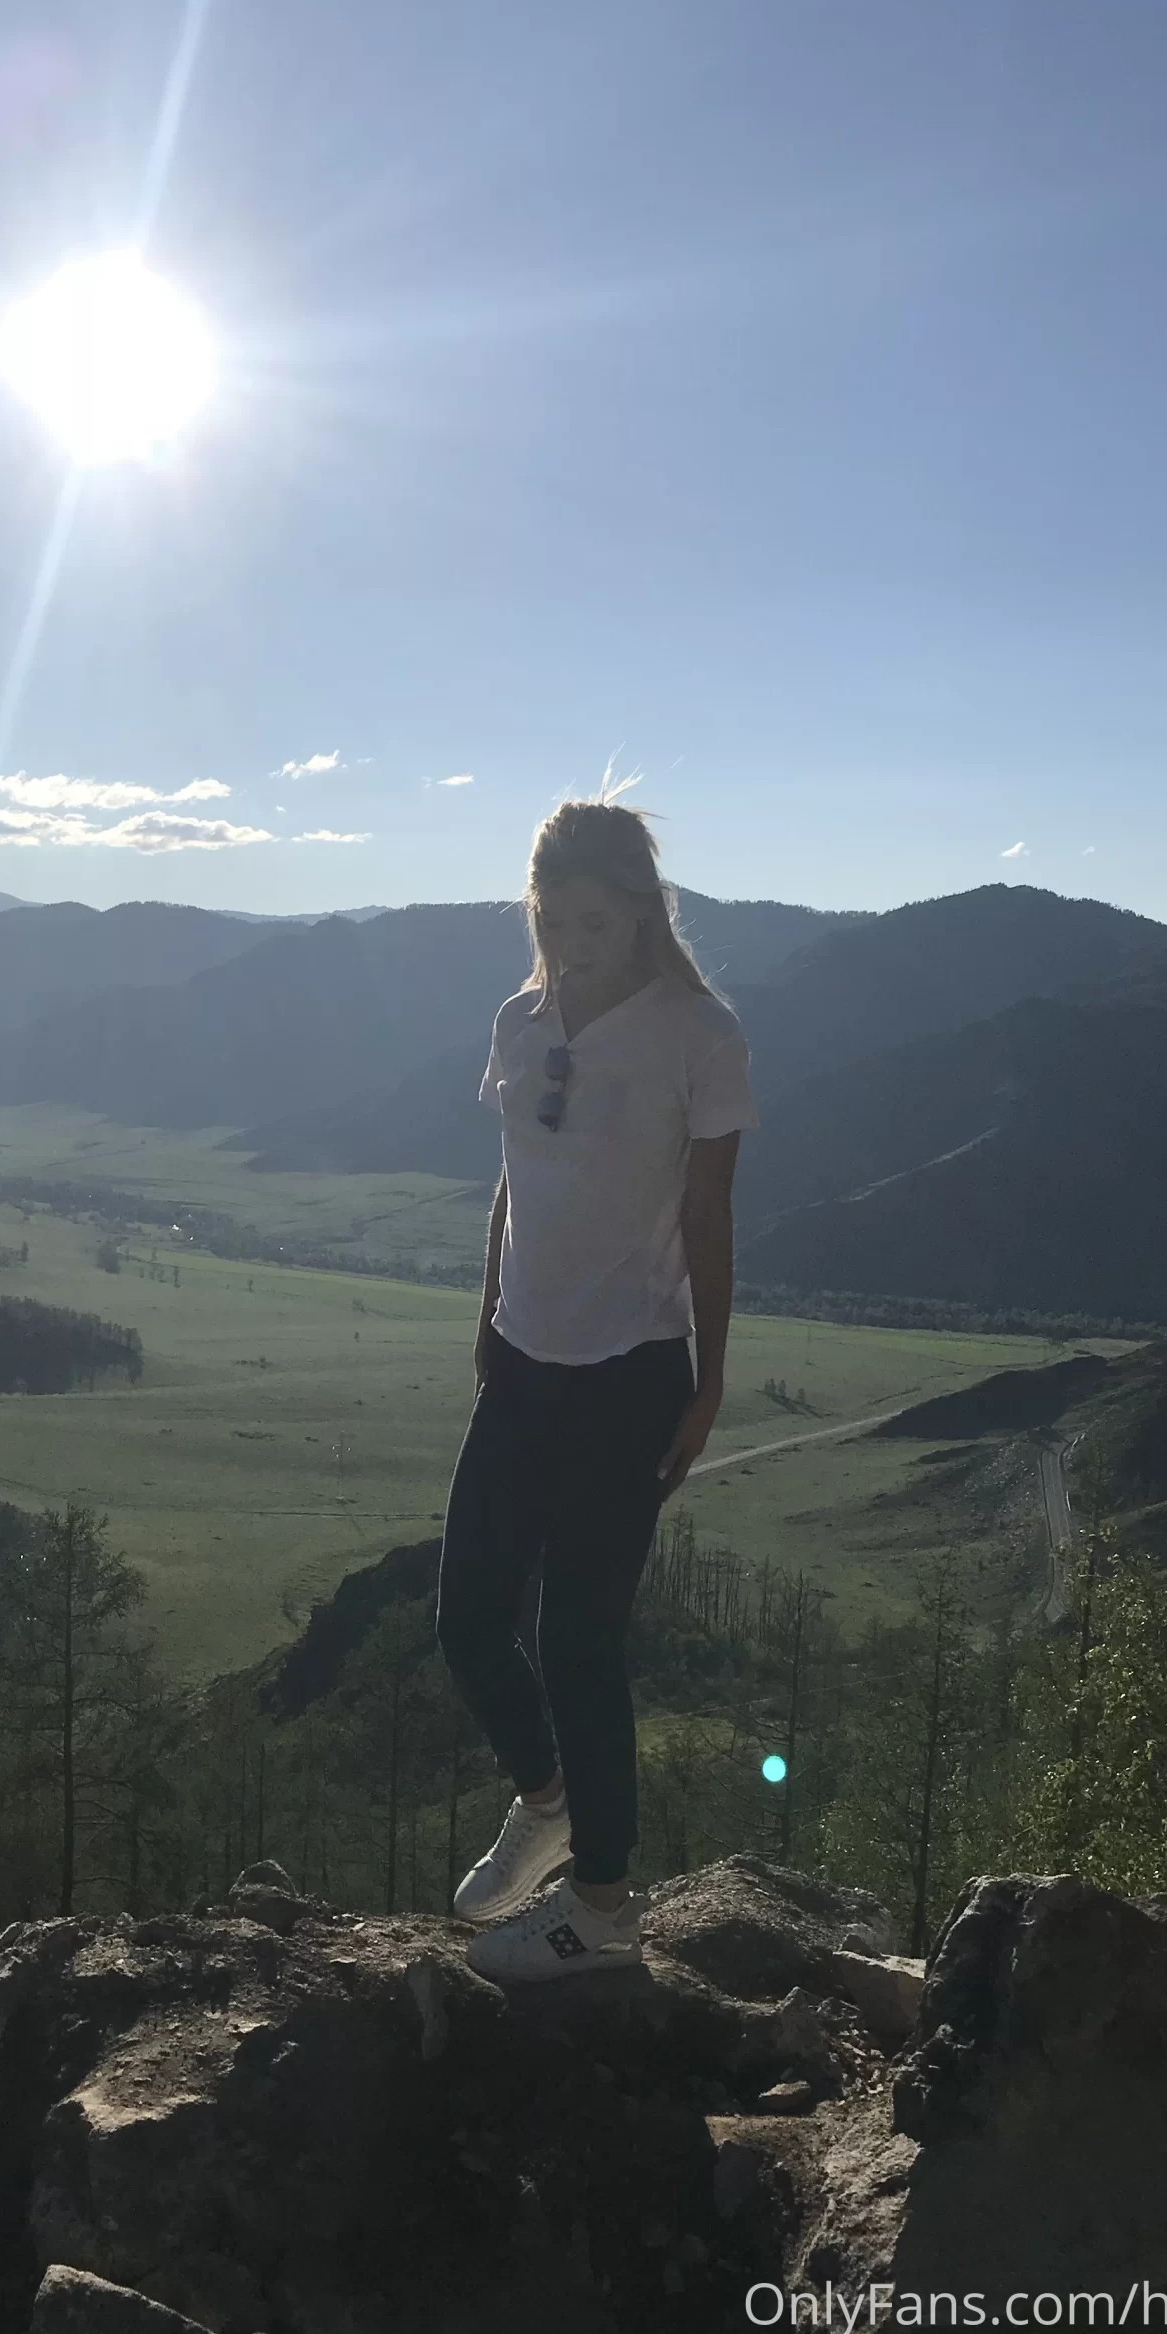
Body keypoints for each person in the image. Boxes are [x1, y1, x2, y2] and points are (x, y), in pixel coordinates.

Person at [435, 794, 758, 1983]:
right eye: (553, 919)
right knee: (468, 1619)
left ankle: (605, 1905)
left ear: (642, 910)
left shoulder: (699, 1033)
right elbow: (513, 1181)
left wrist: (708, 1380)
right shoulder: (520, 1021)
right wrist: (488, 1312)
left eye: (596, 920)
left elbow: (709, 1212)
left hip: (631, 1369)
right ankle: (548, 1800)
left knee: (578, 1640)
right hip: (523, 1358)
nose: (572, 943)